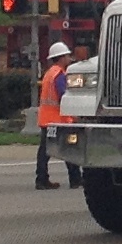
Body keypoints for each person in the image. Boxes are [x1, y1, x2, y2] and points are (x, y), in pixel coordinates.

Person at [35, 40, 82, 190]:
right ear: (61, 57)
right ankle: (75, 179)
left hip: (47, 119)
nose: (69, 59)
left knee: (44, 151)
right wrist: (75, 116)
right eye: (67, 56)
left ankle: (41, 179)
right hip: (59, 120)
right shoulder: (59, 75)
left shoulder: (49, 73)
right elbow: (64, 97)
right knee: (70, 150)